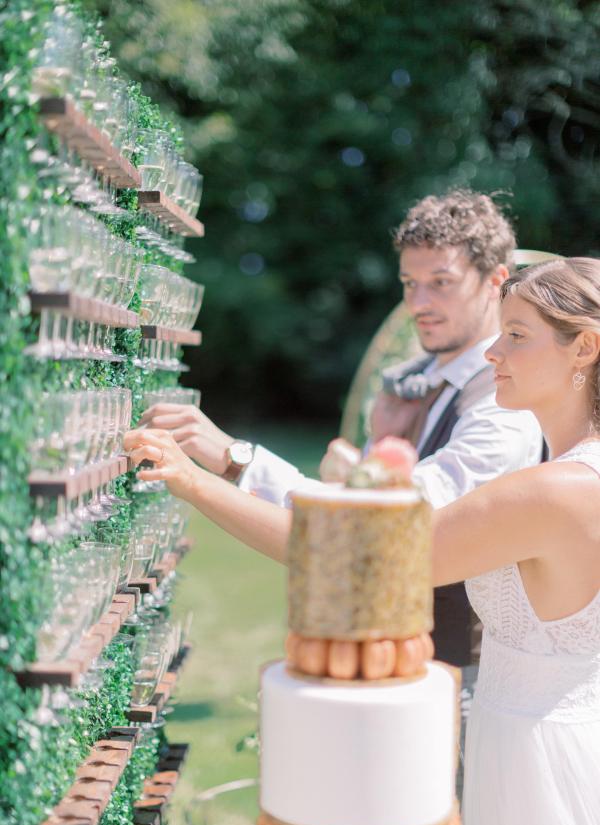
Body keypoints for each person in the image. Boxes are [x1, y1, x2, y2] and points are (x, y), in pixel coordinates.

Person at [126, 256, 600, 825]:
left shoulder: (551, 492)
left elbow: (354, 558)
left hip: (537, 764)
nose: (493, 352)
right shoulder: (575, 476)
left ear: (586, 348)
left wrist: (191, 482)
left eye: (516, 335)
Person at [139, 190, 542, 668]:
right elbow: (344, 508)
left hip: (462, 675)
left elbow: (369, 528)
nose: (420, 303)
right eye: (409, 283)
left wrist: (233, 458)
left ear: (496, 282)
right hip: (381, 652)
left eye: (441, 282)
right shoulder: (415, 382)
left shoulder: (503, 407)